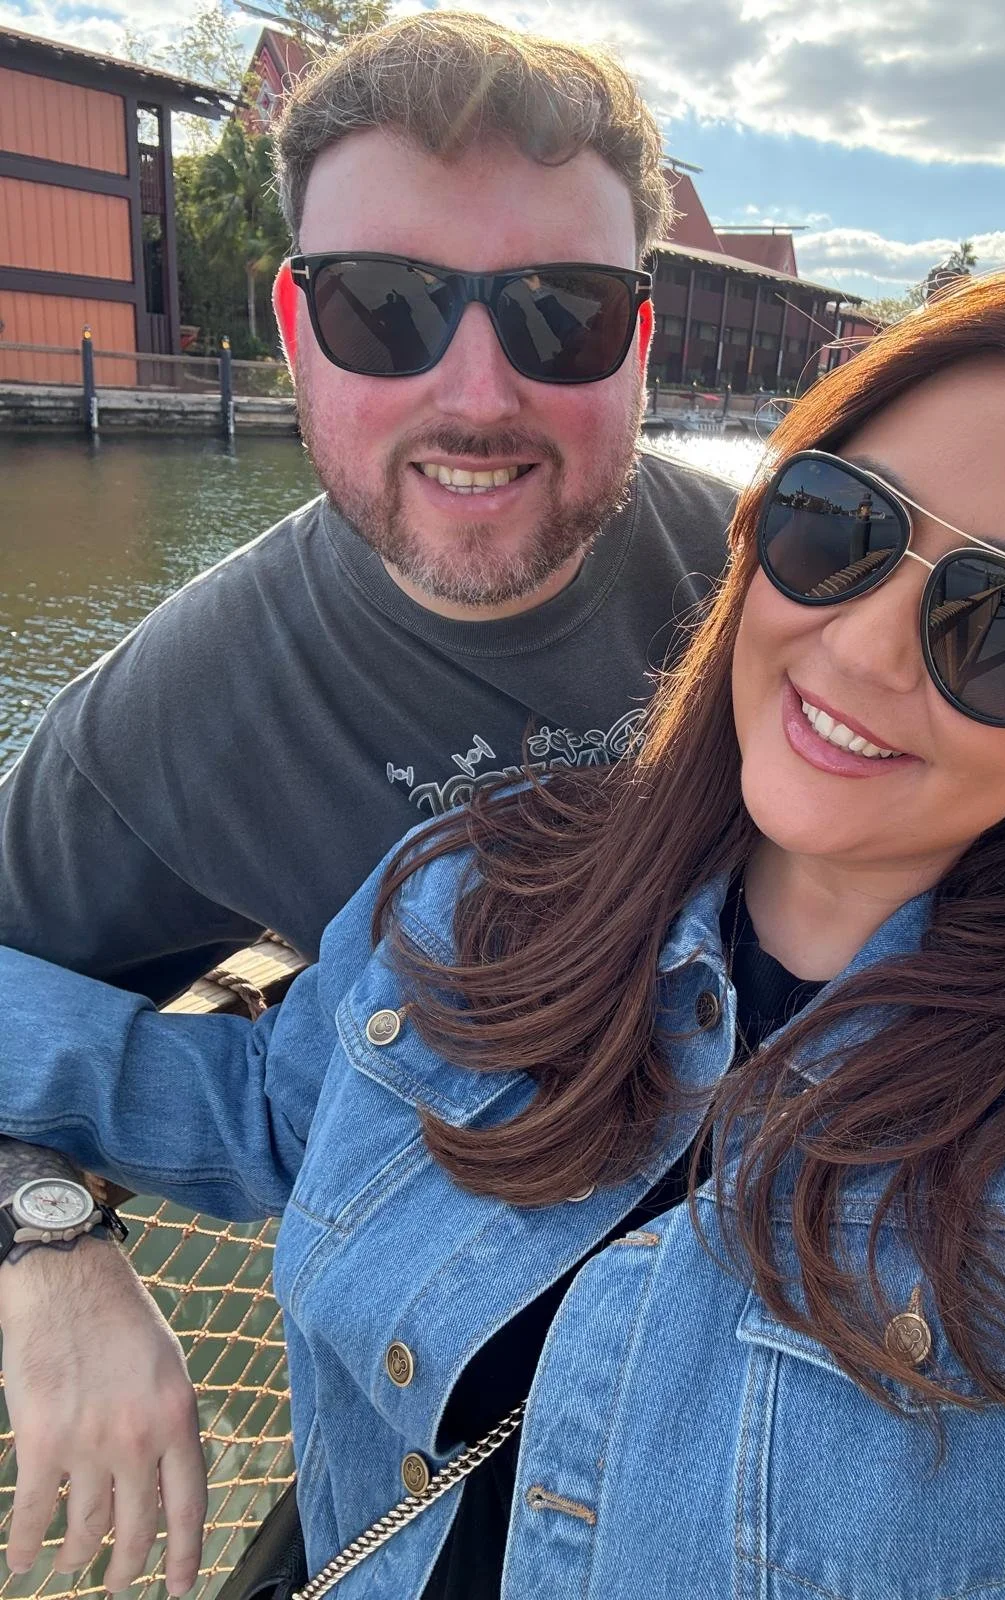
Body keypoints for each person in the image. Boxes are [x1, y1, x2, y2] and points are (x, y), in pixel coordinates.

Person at [4, 267, 1005, 1596]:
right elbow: (241, 1107)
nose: (862, 650)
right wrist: (42, 1231)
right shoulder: (479, 886)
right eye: (841, 525)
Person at [0, 14, 738, 1594]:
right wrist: (46, 1239)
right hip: (413, 1478)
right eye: (386, 306)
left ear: (642, 336)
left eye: (563, 312)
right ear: (293, 324)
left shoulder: (788, 602)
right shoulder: (176, 721)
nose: (478, 393)